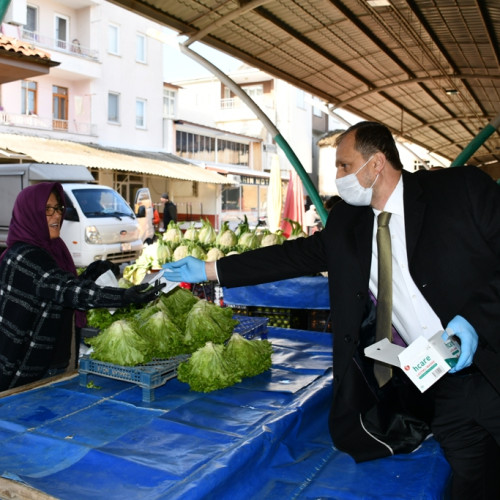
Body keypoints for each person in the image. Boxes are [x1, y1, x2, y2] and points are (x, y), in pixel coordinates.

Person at [163, 121, 500, 500]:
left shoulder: (459, 191)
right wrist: (210, 269)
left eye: (343, 165)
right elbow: (290, 256)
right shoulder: (348, 224)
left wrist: (477, 319)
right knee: (472, 481)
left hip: (492, 360)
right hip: (439, 385)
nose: (338, 177)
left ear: (375, 164)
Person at [0, 182, 163, 391]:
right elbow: (65, 289)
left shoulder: (53, 248)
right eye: (47, 210)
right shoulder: (24, 257)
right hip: (27, 364)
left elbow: (61, 287)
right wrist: (124, 297)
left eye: (59, 208)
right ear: (30, 213)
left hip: (56, 354)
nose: (57, 216)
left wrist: (92, 272)